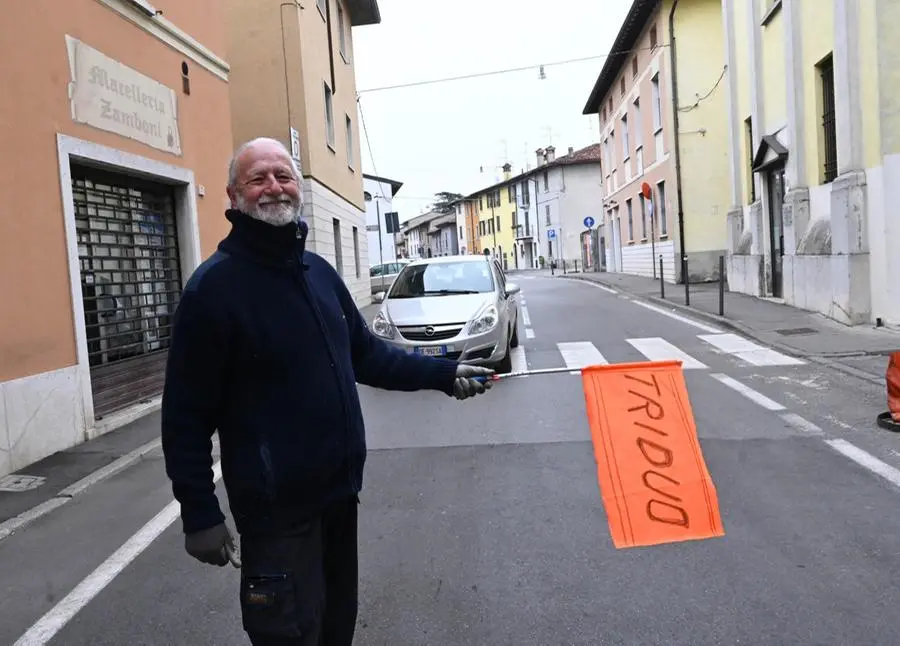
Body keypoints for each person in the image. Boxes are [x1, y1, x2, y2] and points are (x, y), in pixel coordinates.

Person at [160, 137, 494, 645]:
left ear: (297, 188)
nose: (274, 186)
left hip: (339, 502)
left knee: (336, 632)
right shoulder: (214, 291)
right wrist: (199, 513)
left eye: (283, 175)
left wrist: (444, 376)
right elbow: (184, 415)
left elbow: (367, 355)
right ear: (232, 195)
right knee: (290, 638)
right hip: (275, 519)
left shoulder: (318, 274)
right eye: (258, 178)